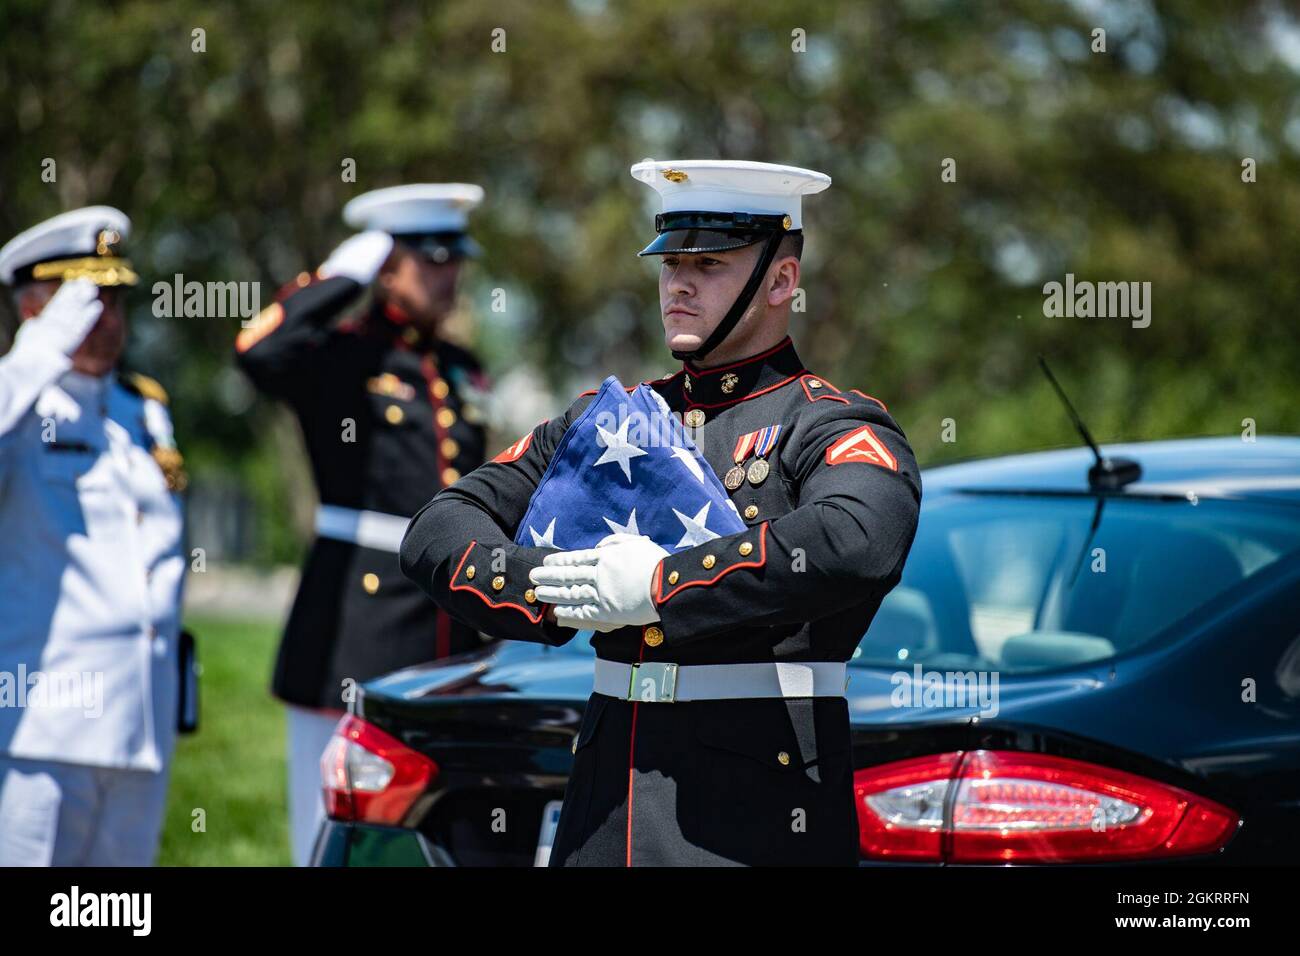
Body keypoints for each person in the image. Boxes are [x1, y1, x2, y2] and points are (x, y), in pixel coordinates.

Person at [400, 160, 921, 866]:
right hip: (603, 811)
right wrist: (561, 584)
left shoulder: (825, 423)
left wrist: (659, 586)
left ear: (781, 282)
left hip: (754, 823)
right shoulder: (606, 420)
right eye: (670, 261)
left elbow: (857, 539)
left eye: (708, 263)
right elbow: (439, 528)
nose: (677, 282)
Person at [234, 183, 494, 866]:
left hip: (448, 636)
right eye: (428, 258)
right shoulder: (339, 357)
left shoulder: (459, 369)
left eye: (453, 258)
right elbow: (258, 351)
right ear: (386, 264)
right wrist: (342, 274)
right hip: (354, 626)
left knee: (436, 839)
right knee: (336, 834)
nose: (449, 274)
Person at [0, 206, 186, 865]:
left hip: (140, 724)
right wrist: (36, 355)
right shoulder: (20, 408)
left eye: (115, 298)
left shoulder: (143, 409)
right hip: (43, 731)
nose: (108, 317)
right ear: (34, 308)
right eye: (86, 299)